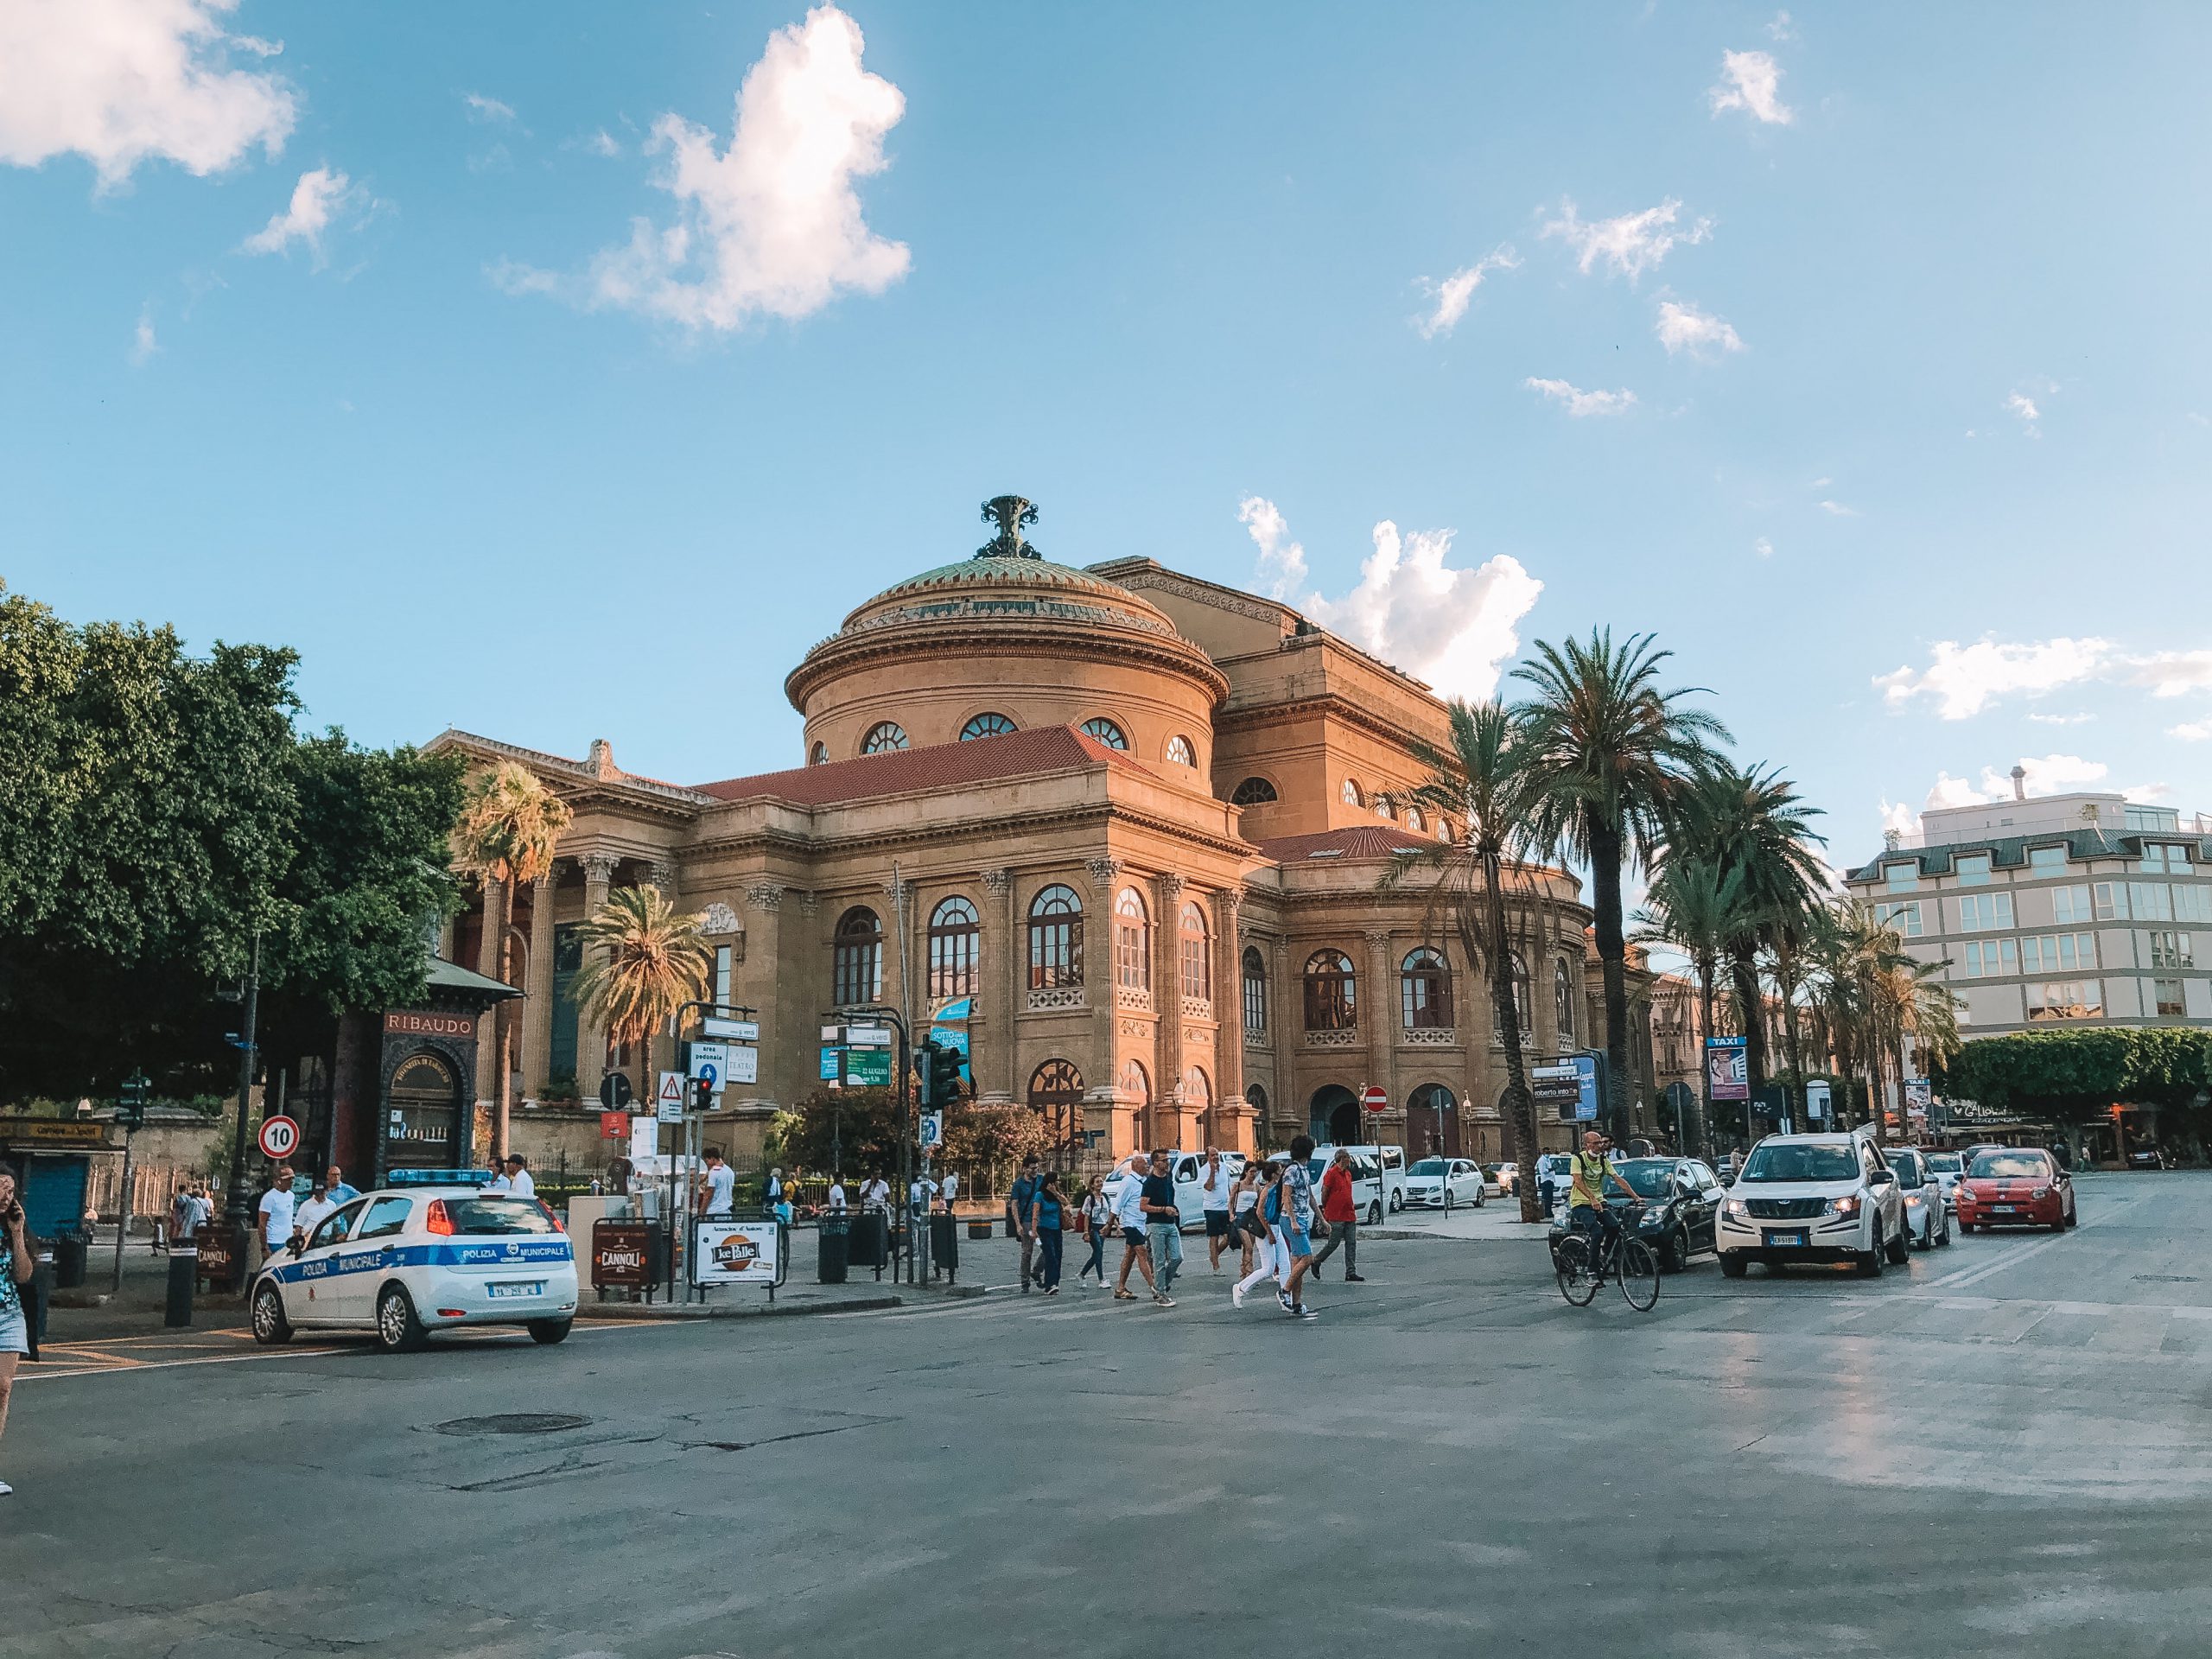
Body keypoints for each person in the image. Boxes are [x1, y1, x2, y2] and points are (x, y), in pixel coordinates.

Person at [0, 1171, 35, 1494]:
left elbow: (24, 1276)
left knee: (3, 1388)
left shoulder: (15, 1228)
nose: (4, 1196)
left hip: (9, 1315)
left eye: (9, 1190)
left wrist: (17, 1233)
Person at [1567, 1128, 1629, 1262]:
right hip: (1581, 1203)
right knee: (1597, 1232)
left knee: (1615, 1226)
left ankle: (1604, 1254)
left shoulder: (1603, 1160)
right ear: (1587, 1145)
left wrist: (1636, 1197)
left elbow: (1618, 1179)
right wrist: (1592, 1199)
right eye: (1595, 1143)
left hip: (1598, 1201)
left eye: (1600, 1143)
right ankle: (1592, 1271)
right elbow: (1578, 1181)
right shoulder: (1577, 1159)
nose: (1599, 1146)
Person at [1276, 1135, 1319, 1318]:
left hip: (1302, 1218)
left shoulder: (1305, 1170)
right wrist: (1293, 1220)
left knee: (1297, 1261)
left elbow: (1310, 1197)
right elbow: (1286, 1196)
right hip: (1290, 1219)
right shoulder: (1292, 1171)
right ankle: (1284, 1291)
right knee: (1307, 1258)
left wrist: (1321, 1219)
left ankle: (1296, 1303)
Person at [1232, 1160, 1283, 1309]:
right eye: (1279, 1171)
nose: (1281, 1173)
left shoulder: (1274, 1188)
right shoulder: (1266, 1190)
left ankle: (1288, 1296)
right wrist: (1270, 1233)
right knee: (1268, 1268)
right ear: (1274, 1175)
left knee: (1283, 1264)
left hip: (1274, 1227)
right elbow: (1260, 1213)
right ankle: (1241, 1287)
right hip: (1265, 1229)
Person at [1309, 1147, 1364, 1282]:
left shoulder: (1348, 1174)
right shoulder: (1331, 1174)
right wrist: (1327, 1208)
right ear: (1341, 1159)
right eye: (1348, 1157)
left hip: (1349, 1213)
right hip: (1335, 1214)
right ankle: (1316, 1260)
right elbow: (1325, 1192)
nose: (1350, 1160)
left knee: (1351, 1243)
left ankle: (1351, 1272)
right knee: (1333, 1243)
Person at [1111, 1154, 1158, 1301]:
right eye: (1144, 1165)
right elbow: (1118, 1204)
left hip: (1141, 1223)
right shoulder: (1128, 1182)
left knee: (1130, 1255)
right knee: (1142, 1252)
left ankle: (1120, 1288)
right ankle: (1154, 1288)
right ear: (1136, 1166)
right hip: (1130, 1224)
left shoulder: (1144, 1181)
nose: (1147, 1167)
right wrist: (1109, 1224)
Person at [1140, 1149, 1183, 1300]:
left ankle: (1162, 1284)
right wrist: (1163, 1209)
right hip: (1156, 1224)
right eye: (1164, 1160)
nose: (1167, 1163)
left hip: (1171, 1223)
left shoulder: (1169, 1177)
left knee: (1177, 1257)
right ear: (1156, 1163)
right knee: (1159, 1261)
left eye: (1168, 1160)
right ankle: (1161, 1294)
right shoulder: (1150, 1182)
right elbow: (1143, 1206)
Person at [1007, 1154, 1041, 1292]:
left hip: (1041, 1220)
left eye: (1037, 1168)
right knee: (1027, 1251)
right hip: (1027, 1221)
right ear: (1024, 1169)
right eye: (1032, 1168)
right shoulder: (1018, 1184)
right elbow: (1014, 1205)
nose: (1035, 1171)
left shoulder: (1041, 1180)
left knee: (1046, 1247)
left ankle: (1037, 1271)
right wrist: (1017, 1224)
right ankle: (1025, 1281)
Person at [1029, 1169, 1066, 1294]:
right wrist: (1034, 1230)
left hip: (1057, 1229)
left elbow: (1066, 1203)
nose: (1058, 1183)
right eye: (1056, 1181)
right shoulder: (1040, 1195)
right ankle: (1049, 1284)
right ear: (1050, 1182)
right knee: (1050, 1255)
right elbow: (1035, 1213)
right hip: (1044, 1229)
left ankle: (1055, 1282)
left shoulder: (1057, 1194)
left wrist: (1055, 1193)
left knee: (1058, 1255)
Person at [1199, 1148, 1234, 1271]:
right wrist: (1213, 1171)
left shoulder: (1224, 1167)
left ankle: (1214, 1255)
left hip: (1225, 1207)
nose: (1215, 1157)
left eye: (1217, 1154)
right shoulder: (1204, 1170)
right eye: (1212, 1155)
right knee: (1214, 1236)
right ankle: (1216, 1265)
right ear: (1208, 1157)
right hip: (1211, 1208)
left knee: (1230, 1236)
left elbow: (1229, 1186)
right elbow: (1209, 1187)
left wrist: (1232, 1204)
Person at [1230, 1160, 1264, 1277]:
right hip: (1240, 1218)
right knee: (1248, 1246)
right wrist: (1231, 1215)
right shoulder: (1238, 1185)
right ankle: (1250, 1273)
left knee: (1248, 1248)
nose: (1253, 1174)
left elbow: (1261, 1200)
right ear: (1246, 1172)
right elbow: (1230, 1201)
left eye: (1255, 1172)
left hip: (1252, 1219)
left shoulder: (1256, 1186)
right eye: (1251, 1172)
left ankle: (1244, 1272)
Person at [257, 1165, 296, 1263]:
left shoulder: (291, 1196)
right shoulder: (269, 1198)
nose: (291, 1182)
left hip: (288, 1241)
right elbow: (262, 1224)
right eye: (287, 1179)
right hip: (274, 1242)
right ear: (279, 1181)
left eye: (292, 1179)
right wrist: (264, 1247)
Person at [290, 1173, 339, 1247]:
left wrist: (335, 1239)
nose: (320, 1196)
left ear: (327, 1191)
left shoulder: (332, 1205)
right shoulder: (306, 1205)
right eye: (318, 1194)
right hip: (311, 1238)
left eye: (322, 1193)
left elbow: (336, 1224)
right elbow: (298, 1227)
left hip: (327, 1238)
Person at [1077, 1180, 1110, 1287]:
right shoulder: (1089, 1198)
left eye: (1101, 1181)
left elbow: (1110, 1213)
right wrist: (1086, 1232)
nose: (1100, 1183)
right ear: (1092, 1185)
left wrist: (1116, 1225)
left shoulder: (1105, 1197)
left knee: (1097, 1254)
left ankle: (1082, 1274)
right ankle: (1101, 1279)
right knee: (1099, 1252)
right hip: (1093, 1227)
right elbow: (1086, 1216)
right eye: (1097, 1182)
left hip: (1103, 1227)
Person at [699, 1147, 736, 1216]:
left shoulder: (714, 1172)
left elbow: (709, 1193)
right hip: (728, 1208)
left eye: (707, 1161)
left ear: (713, 1159)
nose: (707, 1164)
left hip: (715, 1210)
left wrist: (702, 1211)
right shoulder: (729, 1171)